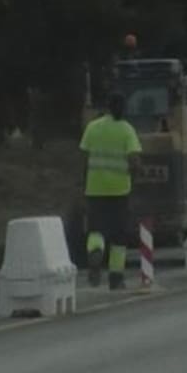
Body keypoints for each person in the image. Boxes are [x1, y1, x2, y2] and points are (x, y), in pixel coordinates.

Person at [79, 91, 142, 289]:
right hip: (120, 191)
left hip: (95, 190)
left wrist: (84, 184)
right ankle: (116, 278)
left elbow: (84, 158)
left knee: (96, 230)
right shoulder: (127, 130)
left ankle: (95, 252)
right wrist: (135, 178)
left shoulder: (92, 128)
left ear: (107, 107)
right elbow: (134, 161)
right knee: (119, 236)